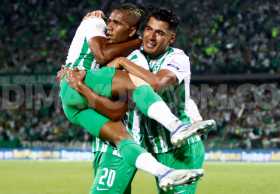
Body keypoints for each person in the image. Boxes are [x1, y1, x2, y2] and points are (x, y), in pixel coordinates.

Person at [58, 3, 204, 192]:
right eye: (149, 30)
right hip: (127, 144)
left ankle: (171, 148)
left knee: (129, 118)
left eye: (159, 33)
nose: (151, 36)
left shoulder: (176, 58)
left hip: (172, 147)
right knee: (137, 88)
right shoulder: (111, 38)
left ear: (171, 38)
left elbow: (150, 88)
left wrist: (120, 63)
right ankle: (171, 143)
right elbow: (101, 57)